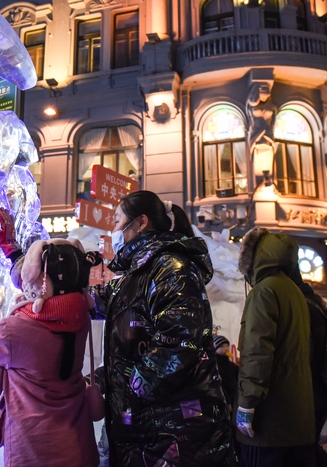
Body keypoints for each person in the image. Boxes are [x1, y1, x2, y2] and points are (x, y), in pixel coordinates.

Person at [96, 190, 233, 466]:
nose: (114, 229)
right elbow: (96, 302)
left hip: (176, 434)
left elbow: (179, 339)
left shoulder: (171, 266)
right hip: (147, 432)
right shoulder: (136, 274)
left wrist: (135, 388)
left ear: (141, 222)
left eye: (118, 220)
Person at [0, 208, 100, 467]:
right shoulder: (79, 311)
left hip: (35, 450)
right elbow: (46, 284)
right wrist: (12, 251)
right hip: (78, 445)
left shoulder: (19, 330)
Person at [236, 228, 315, 466]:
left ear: (254, 256)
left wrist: (247, 404)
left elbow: (257, 352)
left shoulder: (264, 291)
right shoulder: (293, 291)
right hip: (297, 415)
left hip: (269, 418)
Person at [291, 267, 327, 467]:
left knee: (306, 448)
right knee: (310, 446)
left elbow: (304, 353)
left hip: (311, 390)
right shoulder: (316, 303)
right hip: (322, 388)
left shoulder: (302, 306)